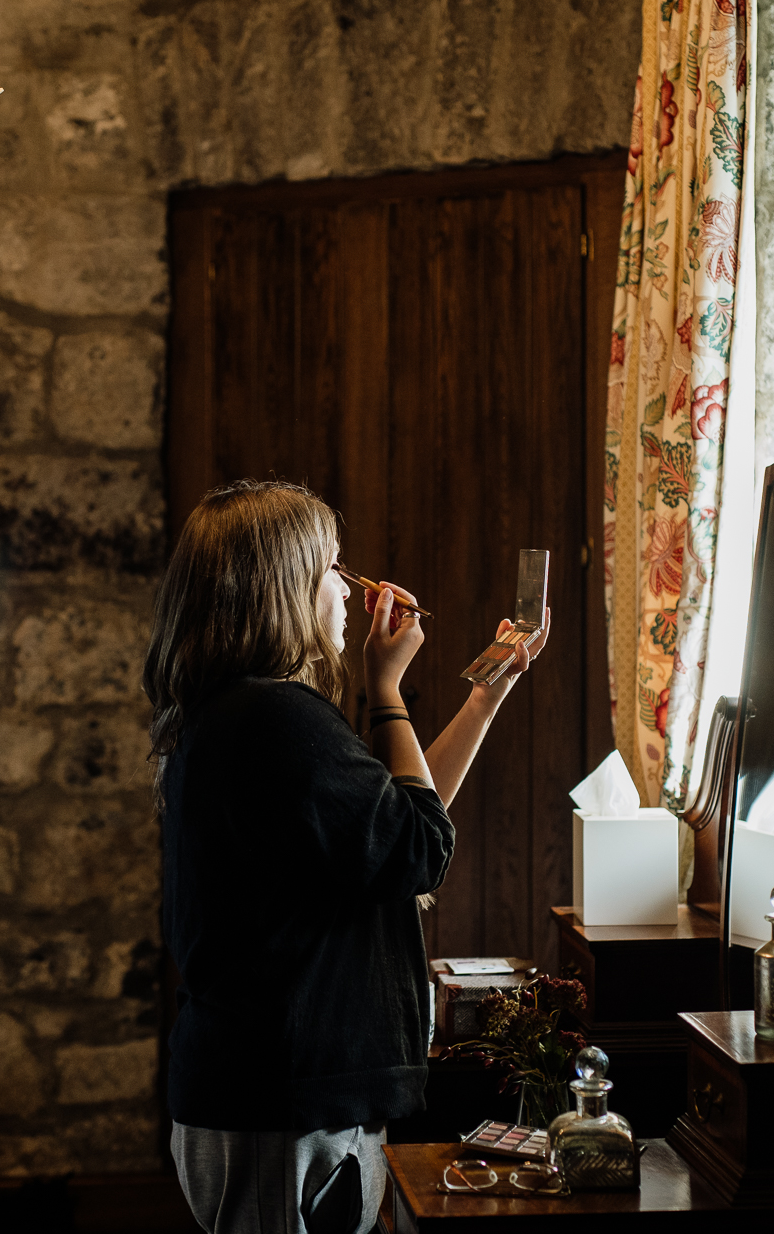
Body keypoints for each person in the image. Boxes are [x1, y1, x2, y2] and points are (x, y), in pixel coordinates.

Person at [145, 480, 549, 1234]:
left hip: (266, 1094)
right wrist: (383, 686)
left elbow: (398, 825)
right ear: (287, 586)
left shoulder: (242, 715)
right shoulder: (278, 719)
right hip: (282, 1105)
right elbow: (419, 848)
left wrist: (488, 693)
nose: (346, 587)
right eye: (334, 568)